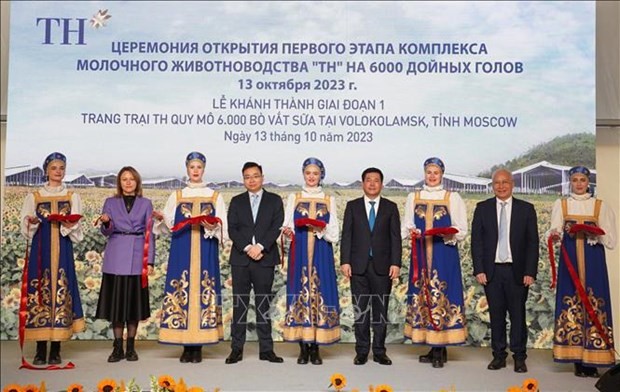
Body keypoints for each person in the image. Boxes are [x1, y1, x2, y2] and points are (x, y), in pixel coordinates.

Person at [154, 152, 228, 363]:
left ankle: (199, 346)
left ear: (203, 170)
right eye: (192, 167)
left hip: (206, 249)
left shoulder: (214, 196)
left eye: (199, 167)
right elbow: (168, 224)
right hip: (182, 249)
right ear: (187, 169)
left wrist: (213, 226)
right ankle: (186, 345)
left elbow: (223, 225)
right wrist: (161, 219)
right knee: (182, 291)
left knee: (203, 291)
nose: (195, 171)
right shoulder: (177, 196)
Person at [548, 166, 617, 377]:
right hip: (570, 262)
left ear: (589, 182)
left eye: (583, 180)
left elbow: (612, 240)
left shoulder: (600, 206)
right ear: (570, 181)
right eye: (575, 180)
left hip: (593, 260)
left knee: (595, 302)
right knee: (571, 302)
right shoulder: (561, 204)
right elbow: (554, 231)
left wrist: (595, 235)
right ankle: (576, 357)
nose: (579, 184)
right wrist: (555, 236)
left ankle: (594, 357)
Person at [19, 152, 85, 365]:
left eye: (62, 168)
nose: (58, 172)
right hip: (41, 251)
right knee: (40, 293)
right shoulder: (35, 196)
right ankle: (40, 348)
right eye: (54, 168)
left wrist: (69, 225)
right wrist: (32, 222)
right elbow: (25, 227)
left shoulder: (72, 196)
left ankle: (56, 348)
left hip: (63, 251)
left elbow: (77, 229)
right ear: (46, 170)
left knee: (62, 292)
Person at [401, 157, 468, 368]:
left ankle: (440, 349)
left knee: (443, 295)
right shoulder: (414, 196)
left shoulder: (452, 197)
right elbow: (407, 225)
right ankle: (433, 346)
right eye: (428, 172)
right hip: (420, 254)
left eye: (436, 172)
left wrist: (448, 235)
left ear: (442, 174)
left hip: (444, 254)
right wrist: (412, 231)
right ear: (424, 173)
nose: (432, 176)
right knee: (424, 296)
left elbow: (461, 229)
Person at [471, 168, 539, 373]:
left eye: (505, 182)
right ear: (492, 186)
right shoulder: (482, 208)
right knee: (496, 315)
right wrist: (479, 269)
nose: (500, 186)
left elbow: (532, 243)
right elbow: (477, 242)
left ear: (512, 184)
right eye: (496, 183)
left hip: (516, 271)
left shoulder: (526, 209)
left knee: (517, 316)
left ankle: (519, 357)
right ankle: (498, 355)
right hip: (492, 272)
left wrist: (530, 271)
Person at [341, 167, 401, 366]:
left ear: (381, 184)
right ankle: (361, 351)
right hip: (358, 267)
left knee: (380, 312)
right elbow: (347, 236)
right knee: (361, 311)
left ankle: (379, 351)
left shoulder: (390, 207)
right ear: (362, 183)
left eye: (376, 180)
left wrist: (396, 263)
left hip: (383, 268)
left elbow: (395, 238)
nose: (372, 183)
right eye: (369, 180)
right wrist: (345, 261)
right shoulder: (352, 206)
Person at [282, 157, 340, 365]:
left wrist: (320, 229)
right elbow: (287, 223)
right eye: (308, 173)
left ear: (321, 175)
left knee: (319, 293)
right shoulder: (294, 197)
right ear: (303, 174)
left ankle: (316, 347)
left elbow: (334, 232)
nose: (312, 177)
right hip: (299, 252)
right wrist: (288, 231)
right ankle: (303, 347)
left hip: (321, 251)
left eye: (315, 173)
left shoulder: (328, 199)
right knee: (300, 292)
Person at [225, 162, 284, 364]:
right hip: (241, 259)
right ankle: (236, 349)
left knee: (263, 305)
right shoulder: (236, 201)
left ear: (262, 177)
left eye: (255, 176)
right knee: (239, 305)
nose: (251, 179)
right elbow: (232, 229)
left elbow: (276, 227)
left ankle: (266, 349)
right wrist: (248, 248)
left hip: (265, 258)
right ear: (243, 180)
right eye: (247, 176)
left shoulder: (274, 200)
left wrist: (260, 246)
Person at [95, 166, 156, 362]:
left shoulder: (146, 203)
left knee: (133, 305)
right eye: (124, 179)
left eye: (131, 179)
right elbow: (107, 232)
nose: (128, 182)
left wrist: (151, 260)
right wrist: (105, 222)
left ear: (137, 182)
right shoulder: (110, 203)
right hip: (116, 255)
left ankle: (131, 346)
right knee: (117, 305)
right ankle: (117, 347)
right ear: (119, 183)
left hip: (138, 256)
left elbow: (150, 234)